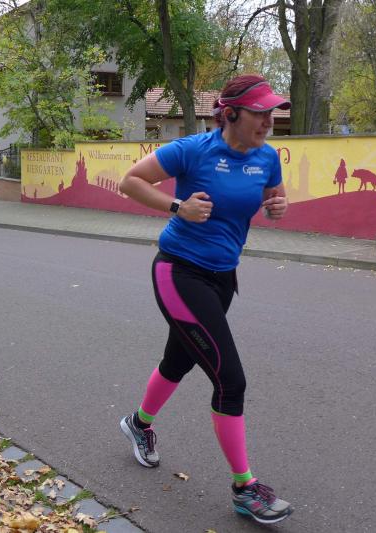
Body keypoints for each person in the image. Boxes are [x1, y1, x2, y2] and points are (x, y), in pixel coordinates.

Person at [118, 74, 293, 524]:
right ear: (230, 113)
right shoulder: (192, 150)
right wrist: (178, 207)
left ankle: (138, 424)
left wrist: (277, 205)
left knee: (178, 361)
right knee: (230, 381)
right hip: (179, 272)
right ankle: (245, 488)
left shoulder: (267, 157)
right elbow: (130, 181)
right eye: (260, 113)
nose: (269, 122)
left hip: (223, 278)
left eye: (272, 114)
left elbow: (273, 195)